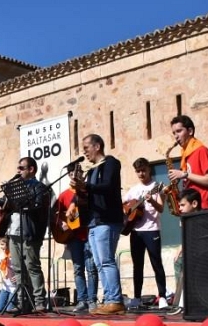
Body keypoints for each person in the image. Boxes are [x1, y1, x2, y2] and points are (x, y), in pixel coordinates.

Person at [72, 134, 124, 315]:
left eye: (86, 147)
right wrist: (80, 188)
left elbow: (108, 186)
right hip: (94, 222)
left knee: (106, 260)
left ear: (98, 146)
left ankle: (115, 299)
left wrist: (85, 186)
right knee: (100, 263)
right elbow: (90, 195)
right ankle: (109, 299)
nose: (84, 151)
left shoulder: (110, 163)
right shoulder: (93, 170)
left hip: (107, 220)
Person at [0, 157, 50, 312]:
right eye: (17, 168)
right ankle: (21, 302)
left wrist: (22, 202)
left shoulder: (39, 187)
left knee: (32, 266)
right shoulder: (14, 188)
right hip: (13, 232)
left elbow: (39, 206)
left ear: (31, 169)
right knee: (18, 268)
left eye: (21, 168)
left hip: (30, 232)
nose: (18, 171)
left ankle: (39, 302)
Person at [123, 158, 168, 309]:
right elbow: (124, 207)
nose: (141, 173)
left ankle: (162, 296)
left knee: (156, 263)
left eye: (143, 170)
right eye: (138, 171)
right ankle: (136, 297)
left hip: (152, 229)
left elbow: (161, 209)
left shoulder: (157, 186)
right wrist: (127, 211)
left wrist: (151, 201)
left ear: (149, 170)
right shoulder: (133, 190)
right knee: (138, 265)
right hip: (136, 232)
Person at [52, 165, 99, 312]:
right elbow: (55, 215)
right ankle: (82, 300)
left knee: (91, 268)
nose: (74, 175)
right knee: (78, 269)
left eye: (76, 173)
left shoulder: (87, 191)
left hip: (89, 234)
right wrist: (62, 223)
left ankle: (92, 300)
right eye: (71, 173)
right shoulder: (64, 195)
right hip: (73, 237)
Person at [168, 115, 208, 210]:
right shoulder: (186, 153)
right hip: (192, 209)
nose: (176, 136)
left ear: (190, 131)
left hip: (204, 207)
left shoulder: (201, 150)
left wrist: (184, 175)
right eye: (174, 133)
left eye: (179, 131)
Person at [169, 188, 202, 315]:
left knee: (182, 261)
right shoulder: (184, 219)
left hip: (198, 253)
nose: (180, 208)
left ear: (194, 204)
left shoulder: (200, 218)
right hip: (190, 250)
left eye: (183, 205)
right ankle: (181, 300)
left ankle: (184, 301)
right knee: (178, 260)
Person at [0, 237, 17, 312]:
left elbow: (21, 268)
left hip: (13, 286)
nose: (1, 247)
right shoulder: (2, 255)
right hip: (5, 286)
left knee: (9, 309)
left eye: (3, 244)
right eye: (0, 245)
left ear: (8, 244)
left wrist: (17, 276)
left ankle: (17, 304)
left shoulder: (13, 256)